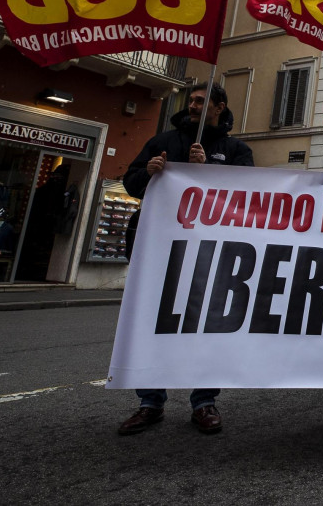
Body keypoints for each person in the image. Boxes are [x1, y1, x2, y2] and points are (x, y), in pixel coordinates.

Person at [118, 83, 254, 436]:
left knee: (208, 325)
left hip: (211, 254)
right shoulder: (163, 141)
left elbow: (248, 198)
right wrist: (147, 171)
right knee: (150, 323)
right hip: (158, 249)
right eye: (190, 101)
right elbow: (130, 184)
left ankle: (204, 401)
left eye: (200, 101)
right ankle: (150, 402)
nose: (192, 106)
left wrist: (207, 171)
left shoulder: (237, 150)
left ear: (219, 107)